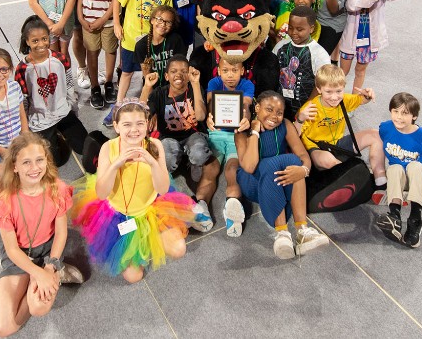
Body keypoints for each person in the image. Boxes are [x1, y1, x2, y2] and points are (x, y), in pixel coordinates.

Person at [72, 100, 196, 282]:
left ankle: (150, 239)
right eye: (127, 125)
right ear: (116, 126)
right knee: (133, 276)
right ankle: (139, 244)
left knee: (179, 250)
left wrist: (152, 163)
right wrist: (115, 165)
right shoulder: (108, 148)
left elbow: (162, 189)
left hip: (150, 209)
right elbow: (102, 193)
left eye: (139, 124)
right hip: (118, 214)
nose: (134, 130)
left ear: (147, 124)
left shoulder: (154, 145)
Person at [0, 134, 75, 337]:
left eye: (39, 160)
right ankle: (46, 277)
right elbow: (11, 249)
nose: (34, 168)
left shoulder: (58, 189)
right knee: (1, 328)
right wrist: (38, 274)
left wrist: (50, 266)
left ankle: (55, 272)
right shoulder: (3, 202)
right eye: (26, 162)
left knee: (38, 308)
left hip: (48, 252)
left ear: (47, 161)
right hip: (19, 254)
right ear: (14, 166)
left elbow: (61, 233)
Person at [226, 90, 331, 257]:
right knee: (277, 163)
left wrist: (303, 170)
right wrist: (254, 132)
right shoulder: (242, 130)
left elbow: (303, 156)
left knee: (295, 163)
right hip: (252, 182)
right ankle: (282, 233)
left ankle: (302, 231)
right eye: (269, 109)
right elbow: (249, 167)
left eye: (279, 113)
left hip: (279, 180)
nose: (274, 116)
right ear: (257, 108)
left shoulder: (286, 125)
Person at [140, 56, 217, 232]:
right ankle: (179, 160)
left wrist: (195, 84)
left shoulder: (194, 88)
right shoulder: (159, 93)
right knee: (166, 159)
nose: (179, 75)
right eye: (174, 71)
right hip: (169, 137)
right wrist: (146, 87)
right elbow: (141, 113)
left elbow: (200, 117)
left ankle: (191, 161)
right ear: (166, 76)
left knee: (199, 154)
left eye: (184, 71)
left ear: (189, 74)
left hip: (192, 135)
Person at [371, 92, 422, 248]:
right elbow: (379, 147)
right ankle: (394, 216)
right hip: (399, 177)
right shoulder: (385, 128)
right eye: (395, 111)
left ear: (414, 116)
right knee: (395, 168)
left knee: (414, 166)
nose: (399, 117)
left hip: (419, 177)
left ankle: (415, 219)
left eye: (405, 113)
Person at [14, 17, 88, 167]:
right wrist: (26, 128)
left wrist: (73, 109)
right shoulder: (22, 69)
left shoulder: (60, 58)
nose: (41, 44)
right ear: (27, 41)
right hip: (41, 119)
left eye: (44, 39)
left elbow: (69, 85)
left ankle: (61, 133)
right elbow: (23, 100)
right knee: (56, 162)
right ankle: (54, 136)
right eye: (35, 41)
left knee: (84, 147)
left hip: (63, 111)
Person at [109, 0, 172, 117]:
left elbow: (168, 15)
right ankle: (118, 105)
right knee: (126, 72)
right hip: (130, 38)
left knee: (150, 73)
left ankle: (149, 106)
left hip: (152, 41)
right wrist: (116, 24)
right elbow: (117, 0)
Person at [297, 65, 384, 182]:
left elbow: (361, 100)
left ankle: (380, 181)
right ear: (319, 89)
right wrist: (300, 119)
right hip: (317, 148)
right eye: (328, 92)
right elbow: (294, 134)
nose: (334, 97)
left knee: (376, 135)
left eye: (339, 91)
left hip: (337, 144)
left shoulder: (344, 100)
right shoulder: (311, 108)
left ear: (344, 87)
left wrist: (367, 96)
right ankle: (357, 179)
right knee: (329, 161)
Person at [203, 56, 254, 231]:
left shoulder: (247, 85)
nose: (230, 75)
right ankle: (201, 207)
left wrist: (246, 119)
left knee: (232, 169)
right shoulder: (214, 83)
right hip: (216, 133)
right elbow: (211, 102)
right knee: (210, 169)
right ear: (218, 71)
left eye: (234, 70)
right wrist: (210, 117)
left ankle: (233, 207)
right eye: (225, 71)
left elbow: (246, 105)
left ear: (242, 71)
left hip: (236, 135)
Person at [341, 0, 407, 90]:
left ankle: (355, 100)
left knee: (360, 71)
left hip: (369, 42)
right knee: (342, 73)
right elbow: (353, 5)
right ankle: (336, 97)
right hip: (350, 40)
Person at [273, 6, 330, 121]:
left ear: (311, 28)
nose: (293, 33)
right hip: (279, 105)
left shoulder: (319, 54)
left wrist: (306, 107)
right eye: (290, 28)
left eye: (299, 29)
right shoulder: (280, 46)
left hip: (305, 110)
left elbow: (321, 85)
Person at [133, 5, 187, 95]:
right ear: (152, 20)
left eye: (168, 22)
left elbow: (180, 70)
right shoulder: (141, 45)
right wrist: (152, 97)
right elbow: (146, 75)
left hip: (173, 88)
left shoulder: (176, 40)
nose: (163, 24)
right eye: (160, 19)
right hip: (152, 88)